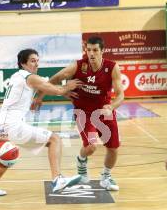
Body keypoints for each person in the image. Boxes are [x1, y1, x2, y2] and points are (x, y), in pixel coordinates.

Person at [0, 48, 83, 198]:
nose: (36, 64)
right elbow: (52, 88)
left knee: (6, 156)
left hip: (1, 123)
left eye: (37, 61)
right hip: (12, 124)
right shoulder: (29, 77)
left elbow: (26, 94)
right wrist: (66, 88)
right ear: (23, 63)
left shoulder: (17, 76)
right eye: (32, 61)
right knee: (54, 139)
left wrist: (34, 100)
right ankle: (57, 179)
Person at [35, 36, 124, 191]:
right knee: (90, 147)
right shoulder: (78, 66)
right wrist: (42, 96)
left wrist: (111, 106)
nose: (91, 53)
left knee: (113, 148)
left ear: (102, 51)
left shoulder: (112, 67)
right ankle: (81, 160)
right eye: (88, 50)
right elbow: (56, 78)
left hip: (105, 112)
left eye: (95, 50)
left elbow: (121, 94)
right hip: (84, 113)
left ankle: (106, 176)